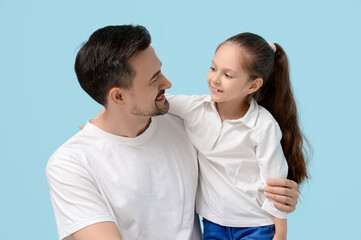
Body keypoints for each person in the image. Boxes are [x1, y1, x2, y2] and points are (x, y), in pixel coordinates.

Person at [46, 25, 300, 240]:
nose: (168, 83)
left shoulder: (187, 126)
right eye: (154, 78)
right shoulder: (70, 165)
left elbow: (241, 168)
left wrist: (279, 199)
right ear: (118, 95)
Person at [167, 33, 310, 240]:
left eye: (228, 75)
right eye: (213, 68)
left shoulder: (262, 126)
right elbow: (159, 102)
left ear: (253, 85)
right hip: (213, 223)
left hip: (257, 225)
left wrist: (281, 233)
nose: (215, 79)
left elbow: (275, 181)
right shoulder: (195, 109)